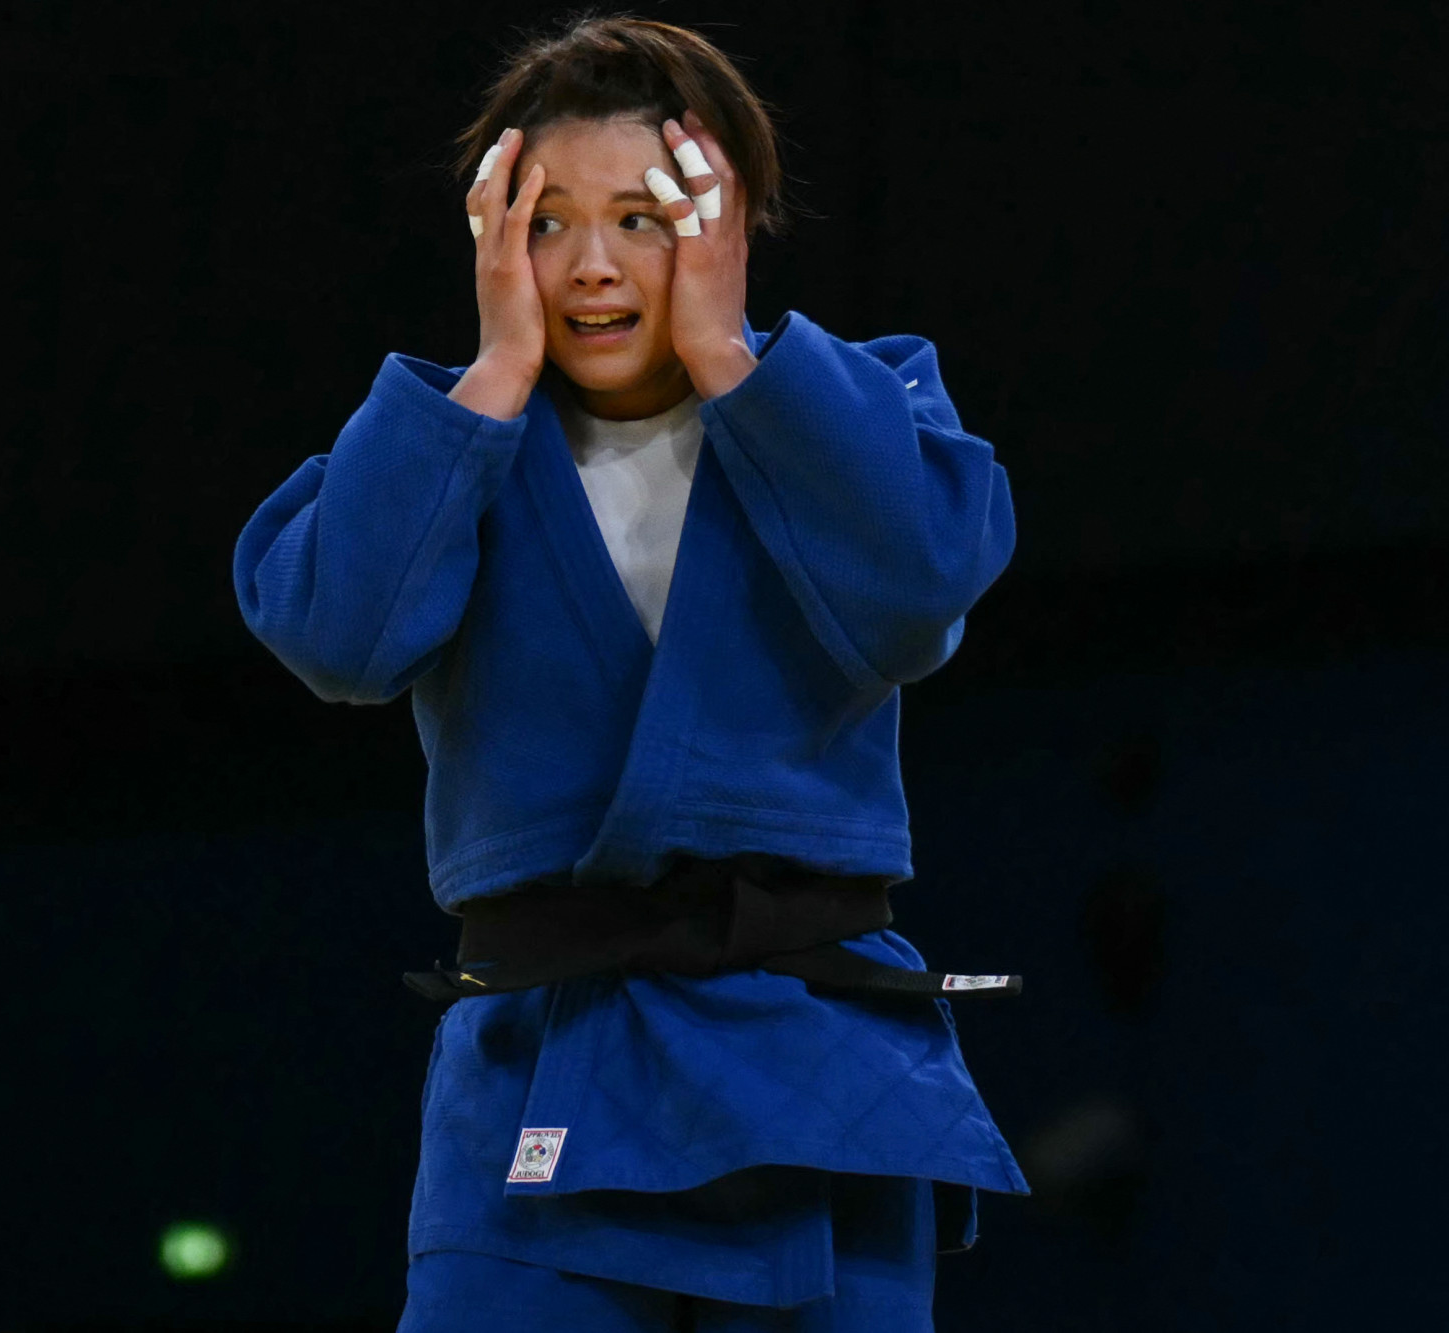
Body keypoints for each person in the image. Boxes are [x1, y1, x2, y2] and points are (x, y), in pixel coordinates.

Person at [233, 13, 1028, 1331]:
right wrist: (495, 372)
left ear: (727, 222)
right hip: (542, 1062)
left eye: (642, 219)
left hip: (814, 1057)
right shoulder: (458, 446)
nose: (591, 265)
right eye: (547, 222)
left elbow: (915, 600)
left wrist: (729, 359)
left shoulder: (864, 405)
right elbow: (338, 643)